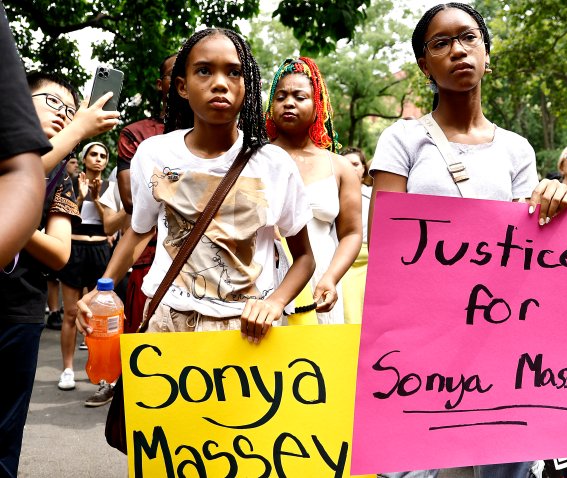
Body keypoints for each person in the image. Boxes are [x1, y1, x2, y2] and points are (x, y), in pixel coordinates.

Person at [371, 4, 567, 478]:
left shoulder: (516, 148)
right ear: (425, 65)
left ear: (486, 53)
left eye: (469, 38)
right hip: (421, 331)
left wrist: (556, 202)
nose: (458, 50)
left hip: (500, 330)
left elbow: (530, 247)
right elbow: (387, 241)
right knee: (408, 462)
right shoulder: (401, 140)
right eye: (440, 43)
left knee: (503, 460)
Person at [76, 27, 314, 348]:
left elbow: (304, 258)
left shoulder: (274, 164)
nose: (220, 82)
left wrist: (273, 303)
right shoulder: (154, 154)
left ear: (248, 86)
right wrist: (101, 289)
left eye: (234, 72)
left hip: (247, 329)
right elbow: (139, 231)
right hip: (166, 320)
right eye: (204, 70)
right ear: (182, 87)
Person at [0, 5, 62, 475]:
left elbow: (60, 253)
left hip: (19, 310)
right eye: (52, 103)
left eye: (70, 111)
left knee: (3, 438)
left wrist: (22, 228)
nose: (63, 115)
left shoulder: (66, 174)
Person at [265, 57, 361, 325]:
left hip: (322, 278)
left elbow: (352, 233)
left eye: (300, 96)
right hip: (266, 277)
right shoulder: (255, 160)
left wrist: (331, 277)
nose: (289, 103)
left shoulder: (339, 167)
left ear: (317, 105)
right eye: (280, 96)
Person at [115, 53, 176, 334]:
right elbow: (132, 203)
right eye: (174, 74)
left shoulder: (227, 137)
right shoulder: (138, 135)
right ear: (160, 84)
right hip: (149, 259)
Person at [56, 142, 117, 392]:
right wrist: (81, 197)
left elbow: (110, 226)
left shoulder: (111, 188)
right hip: (75, 247)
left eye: (103, 155)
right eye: (94, 154)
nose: (99, 159)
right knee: (71, 313)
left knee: (99, 316)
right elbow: (66, 221)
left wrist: (97, 200)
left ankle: (101, 370)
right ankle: (68, 369)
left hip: (101, 249)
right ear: (84, 159)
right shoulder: (68, 184)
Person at [340, 146, 371, 324]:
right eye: (346, 164)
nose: (351, 168)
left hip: (369, 260)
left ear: (363, 168)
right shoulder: (333, 195)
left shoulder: (373, 194)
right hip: (344, 259)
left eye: (355, 164)